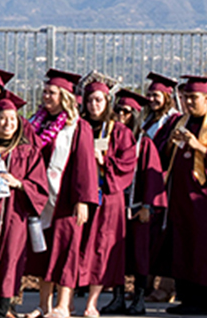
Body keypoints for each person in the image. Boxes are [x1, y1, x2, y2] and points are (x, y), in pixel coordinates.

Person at [25, 69, 99, 318]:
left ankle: (63, 305)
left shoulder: (78, 127)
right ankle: (44, 305)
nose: (46, 96)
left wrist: (83, 200)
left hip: (66, 198)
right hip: (40, 197)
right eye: (45, 91)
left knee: (66, 249)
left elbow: (85, 164)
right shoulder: (36, 122)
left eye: (52, 92)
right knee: (43, 251)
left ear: (64, 96)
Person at [0, 90, 51, 318]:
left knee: (9, 260)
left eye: (13, 119)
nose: (7, 123)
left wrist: (19, 183)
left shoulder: (27, 152)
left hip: (13, 216)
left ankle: (1, 309)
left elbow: (40, 186)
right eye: (2, 119)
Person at [164, 75, 207, 315]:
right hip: (181, 195)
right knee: (182, 246)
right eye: (185, 98)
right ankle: (186, 298)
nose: (188, 103)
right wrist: (171, 144)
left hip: (205, 198)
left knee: (202, 247)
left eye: (194, 98)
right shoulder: (180, 123)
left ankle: (203, 301)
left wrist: (199, 147)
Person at [77, 77, 139, 317]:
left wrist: (105, 161)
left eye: (99, 100)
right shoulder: (78, 128)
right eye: (90, 100)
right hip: (80, 196)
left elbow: (128, 164)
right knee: (77, 246)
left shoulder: (120, 131)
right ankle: (67, 301)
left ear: (107, 102)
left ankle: (92, 302)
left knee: (102, 248)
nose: (94, 105)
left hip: (108, 199)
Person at [114, 89, 165, 315]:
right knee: (116, 254)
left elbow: (153, 177)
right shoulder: (111, 140)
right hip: (115, 208)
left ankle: (139, 299)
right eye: (117, 111)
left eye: (126, 112)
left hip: (137, 209)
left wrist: (147, 206)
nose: (121, 116)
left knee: (139, 254)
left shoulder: (144, 144)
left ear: (135, 115)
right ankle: (117, 298)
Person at [132, 72, 180, 304]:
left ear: (168, 97)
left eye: (157, 95)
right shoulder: (148, 119)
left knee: (164, 235)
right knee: (148, 235)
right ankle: (146, 285)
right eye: (149, 94)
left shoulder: (174, 121)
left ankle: (166, 287)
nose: (151, 99)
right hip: (145, 184)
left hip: (165, 184)